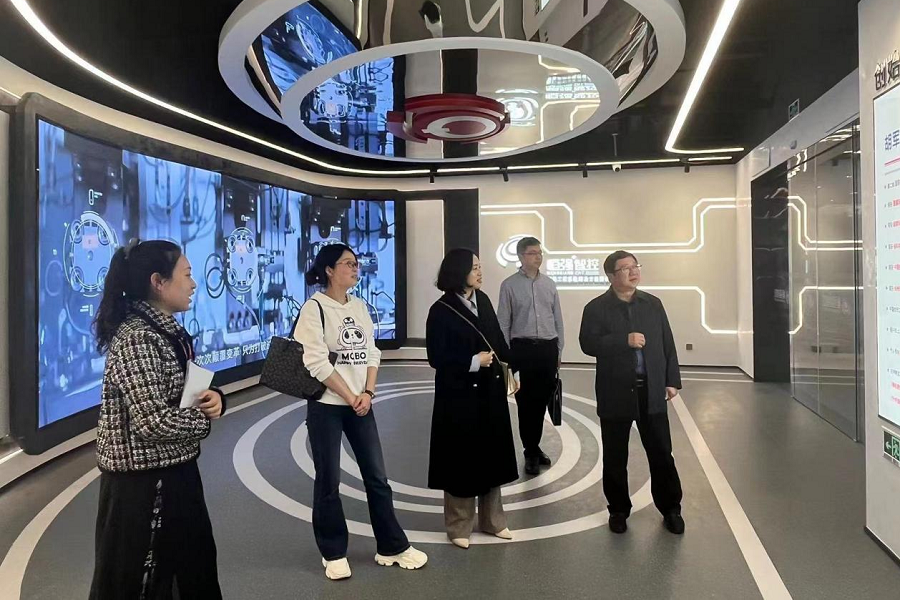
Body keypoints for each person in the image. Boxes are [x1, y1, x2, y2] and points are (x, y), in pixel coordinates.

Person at [90, 239, 225, 599]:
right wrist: (202, 421)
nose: (193, 283)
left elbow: (175, 391)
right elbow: (152, 422)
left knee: (190, 571)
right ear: (158, 282)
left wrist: (213, 398)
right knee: (141, 582)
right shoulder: (139, 338)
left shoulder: (164, 331)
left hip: (173, 473)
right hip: (144, 488)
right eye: (187, 274)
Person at [295, 243, 427, 580]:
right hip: (327, 407)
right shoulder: (314, 308)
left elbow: (371, 352)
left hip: (361, 404)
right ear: (329, 270)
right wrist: (351, 395)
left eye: (356, 264)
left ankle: (392, 546)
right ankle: (333, 552)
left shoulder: (360, 306)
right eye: (348, 264)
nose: (355, 268)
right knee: (328, 481)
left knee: (377, 478)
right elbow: (316, 363)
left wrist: (367, 392)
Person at [579, 250, 685, 535]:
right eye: (625, 268)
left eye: (635, 266)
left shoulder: (652, 304)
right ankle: (618, 510)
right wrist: (622, 340)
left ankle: (671, 508)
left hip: (651, 391)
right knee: (615, 456)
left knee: (661, 453)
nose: (633, 271)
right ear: (611, 276)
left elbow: (667, 342)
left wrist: (671, 380)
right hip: (615, 391)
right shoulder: (596, 308)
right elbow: (587, 344)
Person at [426, 248, 519, 549]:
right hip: (458, 396)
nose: (480, 272)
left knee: (492, 454)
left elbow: (498, 341)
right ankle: (458, 525)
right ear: (458, 271)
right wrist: (473, 362)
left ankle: (494, 521)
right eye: (474, 267)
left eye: (479, 266)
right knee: (460, 458)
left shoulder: (485, 301)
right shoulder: (440, 310)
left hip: (490, 392)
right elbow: (436, 356)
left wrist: (510, 370)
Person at [497, 236, 564, 475]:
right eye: (533, 253)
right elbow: (503, 322)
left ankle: (534, 447)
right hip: (522, 350)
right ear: (521, 256)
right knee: (525, 403)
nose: (538, 257)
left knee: (543, 401)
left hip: (547, 349)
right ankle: (530, 451)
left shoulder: (549, 284)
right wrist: (506, 356)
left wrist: (559, 349)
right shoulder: (509, 285)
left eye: (540, 253)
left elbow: (557, 319)